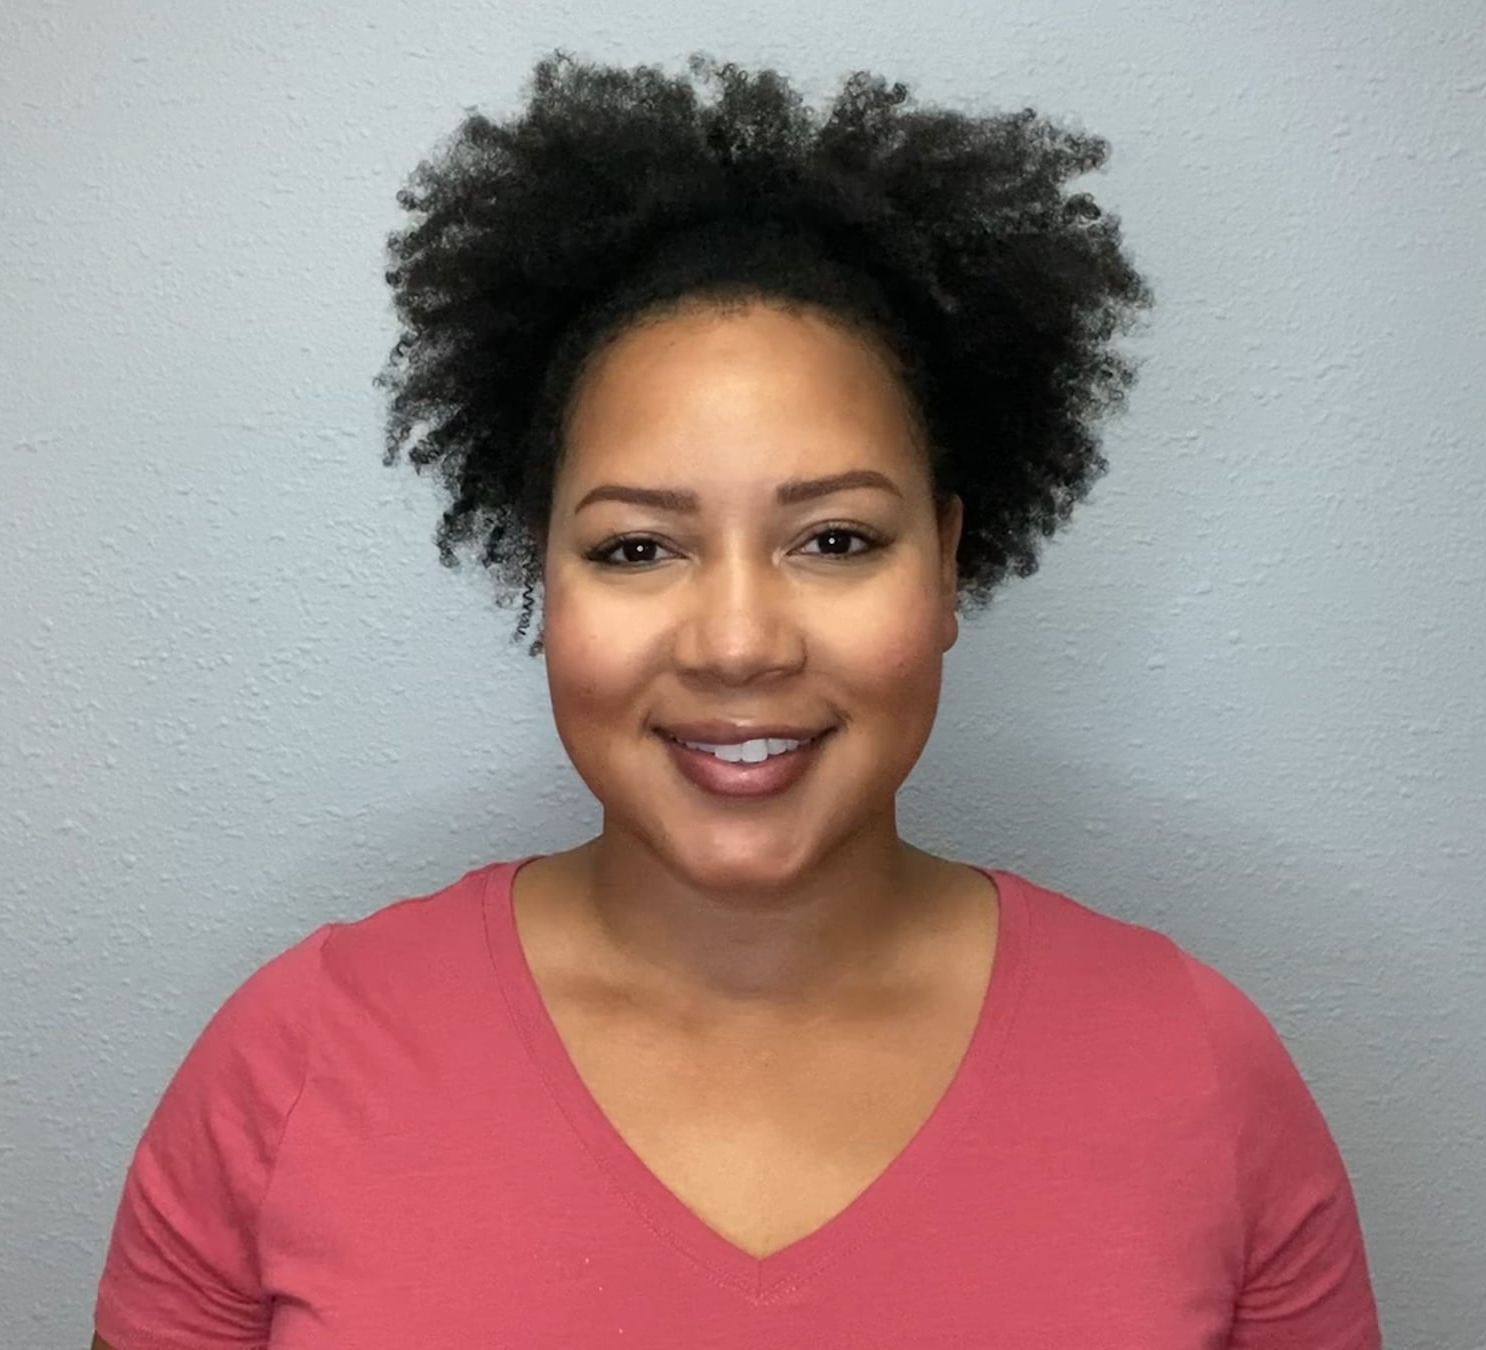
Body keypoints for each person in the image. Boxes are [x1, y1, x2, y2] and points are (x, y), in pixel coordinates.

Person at [92, 52, 1378, 1349]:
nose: (739, 642)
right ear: (540, 571)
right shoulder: (294, 1063)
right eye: (637, 547)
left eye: (835, 539)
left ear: (946, 563)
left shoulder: (1199, 1073)